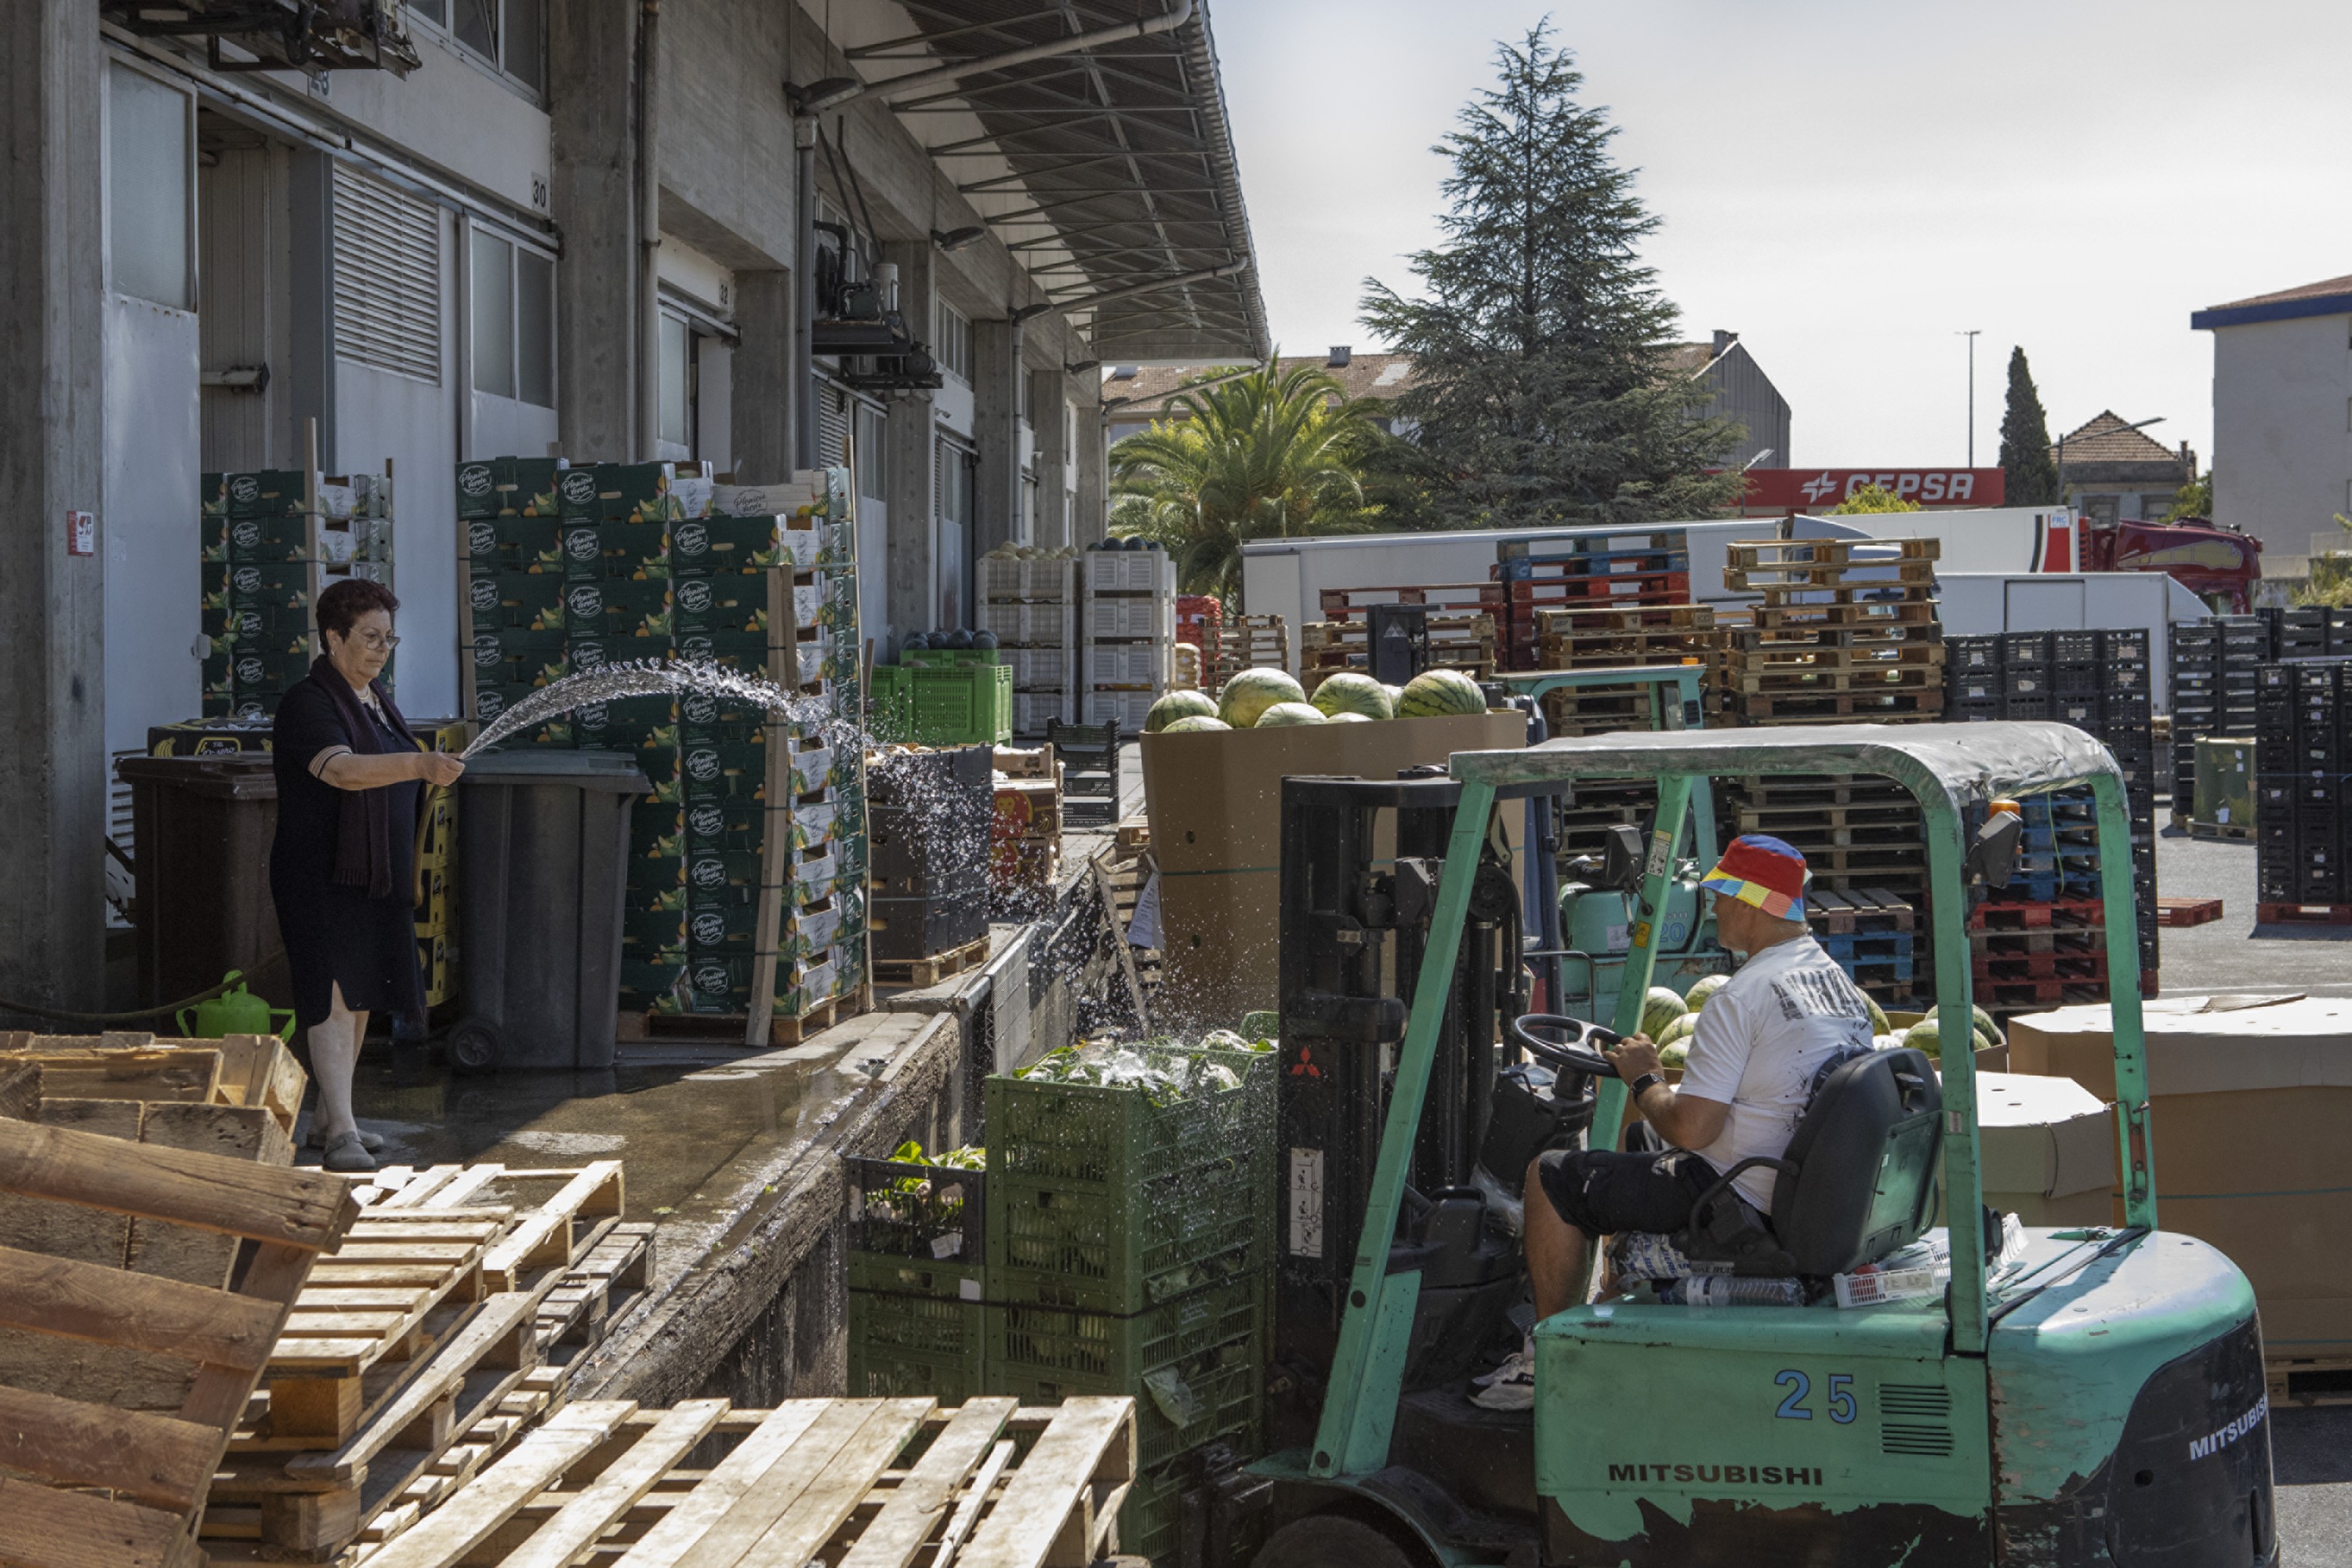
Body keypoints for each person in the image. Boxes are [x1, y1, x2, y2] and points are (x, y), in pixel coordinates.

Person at [1473, 835, 1875, 1409]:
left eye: (1720, 897)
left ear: (1751, 903)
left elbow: (1692, 1130)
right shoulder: (1835, 983)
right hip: (1795, 1180)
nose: (1713, 910)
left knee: (1553, 1176)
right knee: (1639, 1138)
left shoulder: (1742, 996)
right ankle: (1614, 1307)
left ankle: (1550, 1362)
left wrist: (1644, 1077)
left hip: (1739, 1196)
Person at [269, 579, 464, 1172]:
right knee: (332, 995)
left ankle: (332, 1115)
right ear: (333, 637)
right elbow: (344, 772)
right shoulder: (309, 703)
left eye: (388, 638)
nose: (381, 650)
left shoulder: (374, 700)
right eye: (369, 637)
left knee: (359, 997)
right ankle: (342, 1134)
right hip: (321, 875)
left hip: (374, 877)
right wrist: (420, 763)